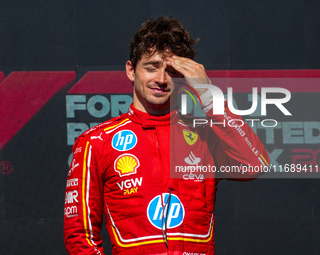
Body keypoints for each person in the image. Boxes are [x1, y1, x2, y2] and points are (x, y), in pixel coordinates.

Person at [64, 16, 270, 255]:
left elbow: (255, 165)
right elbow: (80, 237)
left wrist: (208, 95)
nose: (161, 80)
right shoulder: (96, 142)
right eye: (151, 68)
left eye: (171, 71)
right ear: (131, 70)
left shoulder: (207, 134)